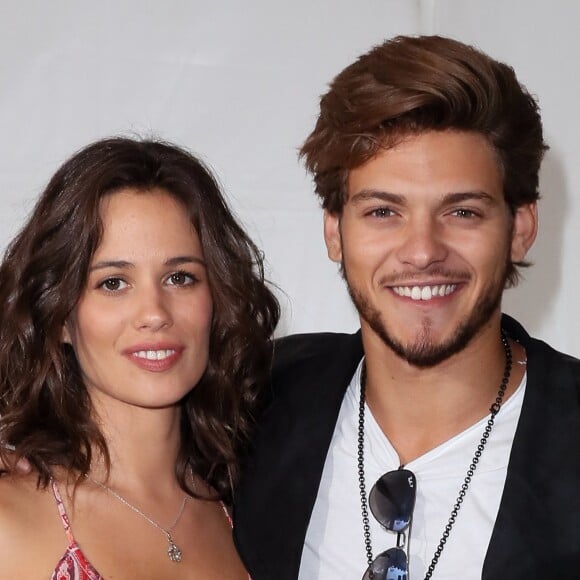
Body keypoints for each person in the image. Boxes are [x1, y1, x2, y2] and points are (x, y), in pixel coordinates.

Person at [233, 35, 580, 579]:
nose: (422, 250)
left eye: (462, 212)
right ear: (334, 231)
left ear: (521, 229)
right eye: (382, 212)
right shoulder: (251, 401)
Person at [0, 137, 279, 578]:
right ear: (59, 318)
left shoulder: (254, 517)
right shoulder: (9, 520)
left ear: (218, 301)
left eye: (180, 277)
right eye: (113, 283)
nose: (154, 313)